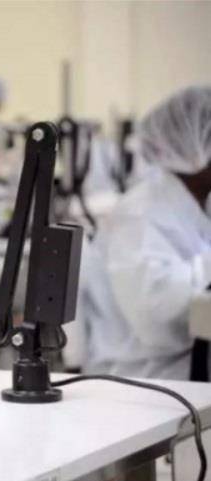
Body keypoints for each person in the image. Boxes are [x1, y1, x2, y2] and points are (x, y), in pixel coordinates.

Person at [83, 86, 211, 380]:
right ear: (198, 152)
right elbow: (156, 316)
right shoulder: (141, 213)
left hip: (188, 366)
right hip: (147, 378)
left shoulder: (197, 204)